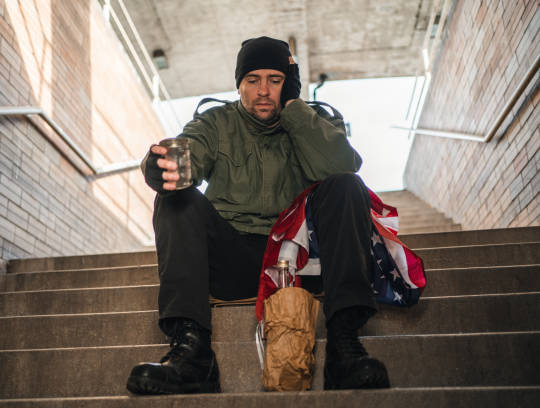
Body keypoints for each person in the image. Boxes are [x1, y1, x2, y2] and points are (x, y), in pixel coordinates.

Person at [126, 36, 390, 395]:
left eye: (275, 80)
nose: (264, 91)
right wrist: (160, 166)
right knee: (176, 199)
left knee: (346, 185)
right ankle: (192, 355)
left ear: (289, 84)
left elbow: (343, 165)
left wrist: (295, 109)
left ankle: (345, 346)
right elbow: (189, 151)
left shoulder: (317, 119)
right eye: (253, 80)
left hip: (300, 264)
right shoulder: (215, 122)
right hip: (234, 262)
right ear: (239, 84)